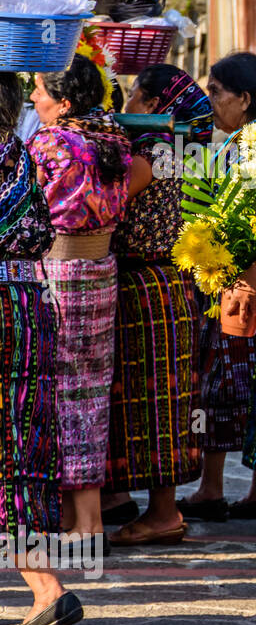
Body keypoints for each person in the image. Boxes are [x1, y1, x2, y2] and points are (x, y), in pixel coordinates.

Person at [27, 55, 132, 551]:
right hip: (100, 271)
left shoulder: (50, 143)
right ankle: (84, 518)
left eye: (40, 91)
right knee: (88, 391)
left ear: (64, 102)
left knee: (59, 390)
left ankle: (83, 526)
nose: (33, 99)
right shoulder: (114, 137)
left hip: (60, 273)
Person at [101, 65, 209, 544]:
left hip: (148, 289)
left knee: (154, 399)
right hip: (169, 285)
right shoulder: (185, 150)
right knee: (156, 397)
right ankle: (122, 498)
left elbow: (107, 197)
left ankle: (163, 512)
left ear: (149, 106)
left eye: (132, 99)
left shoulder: (153, 154)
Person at [0, 72, 83, 625]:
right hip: (29, 301)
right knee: (18, 443)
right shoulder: (21, 152)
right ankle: (45, 586)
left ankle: (47, 589)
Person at [176, 52, 256, 522]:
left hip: (238, 281)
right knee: (253, 385)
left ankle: (214, 487)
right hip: (246, 278)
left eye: (216, 91)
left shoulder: (248, 147)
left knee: (222, 384)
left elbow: (245, 216)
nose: (209, 99)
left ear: (245, 99)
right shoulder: (243, 142)